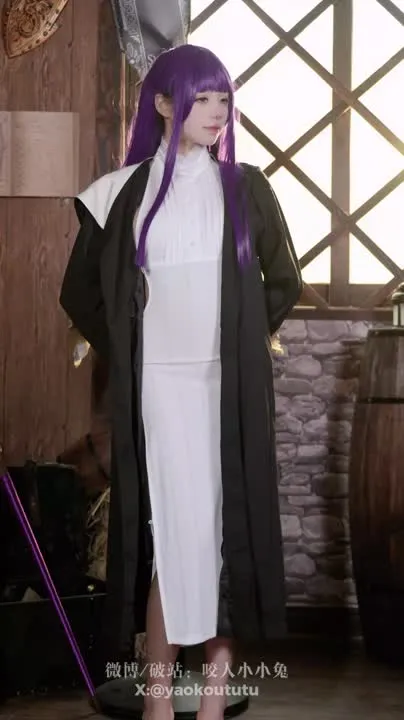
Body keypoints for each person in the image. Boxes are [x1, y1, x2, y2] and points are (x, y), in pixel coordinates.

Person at [59, 44, 302, 720]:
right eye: (203, 98)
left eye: (224, 99)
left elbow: (283, 280)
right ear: (164, 104)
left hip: (226, 388)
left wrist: (243, 340)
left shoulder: (245, 187)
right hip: (159, 392)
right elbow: (79, 292)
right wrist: (131, 348)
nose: (217, 112)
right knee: (169, 536)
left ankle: (213, 702)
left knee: (221, 537)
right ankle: (160, 701)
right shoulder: (120, 193)